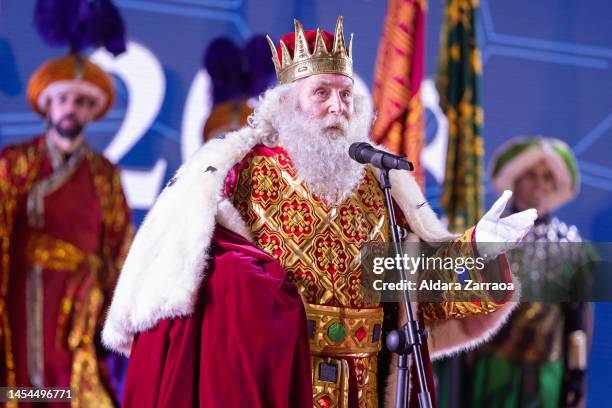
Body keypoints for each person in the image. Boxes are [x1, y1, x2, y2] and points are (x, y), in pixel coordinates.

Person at [103, 17, 536, 407]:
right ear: (290, 103)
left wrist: (479, 247)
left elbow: (415, 288)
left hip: (363, 380)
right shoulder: (241, 174)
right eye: (322, 93)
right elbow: (192, 273)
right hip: (279, 381)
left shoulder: (378, 182)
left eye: (345, 94)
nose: (337, 106)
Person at [0, 51, 133, 406]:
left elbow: (120, 248)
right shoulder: (16, 164)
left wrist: (102, 293)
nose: (70, 108)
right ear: (48, 106)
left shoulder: (105, 175)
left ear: (90, 111)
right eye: (62, 99)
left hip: (80, 303)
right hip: (23, 294)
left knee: (71, 386)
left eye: (80, 101)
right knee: (22, 383)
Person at [471, 137, 595, 408]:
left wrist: (577, 376)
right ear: (514, 181)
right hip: (492, 370)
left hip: (545, 375)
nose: (539, 183)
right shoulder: (486, 238)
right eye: (531, 175)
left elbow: (577, 323)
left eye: (547, 177)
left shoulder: (570, 247)